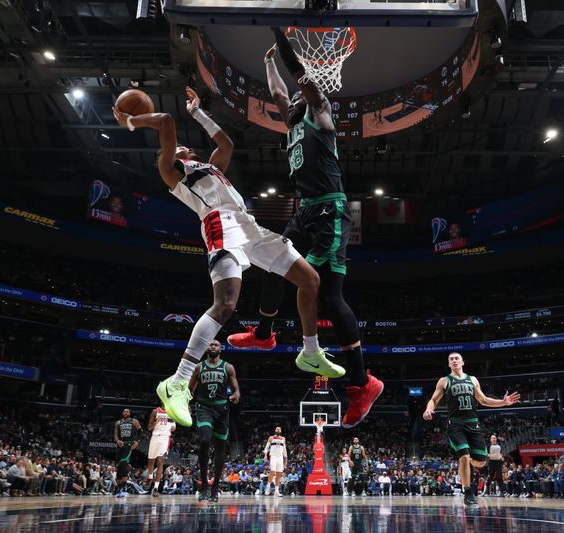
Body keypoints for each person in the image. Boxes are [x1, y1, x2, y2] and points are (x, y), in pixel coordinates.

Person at [113, 86, 331, 428]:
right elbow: (166, 121)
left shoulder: (212, 168)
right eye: (180, 147)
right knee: (226, 304)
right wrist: (130, 120)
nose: (185, 147)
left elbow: (226, 144)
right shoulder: (173, 171)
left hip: (249, 226)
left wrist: (198, 111)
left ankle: (310, 350)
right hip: (219, 224)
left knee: (309, 278)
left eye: (187, 146)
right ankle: (178, 381)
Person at [228, 28, 384, 429]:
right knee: (273, 260)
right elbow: (280, 92)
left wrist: (280, 37)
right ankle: (264, 332)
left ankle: (362, 384)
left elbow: (298, 76)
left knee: (331, 296)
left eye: (300, 93)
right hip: (305, 211)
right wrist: (266, 63)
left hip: (331, 212)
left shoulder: (319, 113)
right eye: (293, 97)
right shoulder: (293, 120)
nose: (294, 98)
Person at [423, 352, 520, 508]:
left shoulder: (472, 379)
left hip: (473, 424)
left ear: (463, 362)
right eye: (451, 359)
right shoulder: (445, 381)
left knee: (481, 462)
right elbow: (433, 400)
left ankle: (468, 465)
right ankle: (468, 492)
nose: (454, 361)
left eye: (457, 358)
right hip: (455, 424)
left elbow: (483, 400)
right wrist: (428, 409)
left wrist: (503, 402)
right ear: (449, 364)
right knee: (464, 456)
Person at [190, 340, 239, 503]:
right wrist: (184, 405)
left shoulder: (228, 367)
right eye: (210, 344)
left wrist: (235, 396)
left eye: (216, 344)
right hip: (203, 408)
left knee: (220, 450)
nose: (213, 346)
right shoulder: (199, 367)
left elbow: (236, 390)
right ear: (206, 348)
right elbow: (190, 390)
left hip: (222, 410)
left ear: (220, 349)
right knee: (204, 440)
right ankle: (203, 485)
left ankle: (214, 487)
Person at [147, 406, 176, 497]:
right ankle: (150, 477)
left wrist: (171, 425)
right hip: (155, 437)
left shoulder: (172, 412)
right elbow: (149, 427)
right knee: (151, 461)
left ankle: (156, 488)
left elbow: (173, 428)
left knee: (160, 461)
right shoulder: (155, 411)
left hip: (165, 438)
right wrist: (156, 421)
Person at [113, 408, 141, 498]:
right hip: (120, 445)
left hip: (129, 444)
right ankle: (118, 488)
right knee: (118, 466)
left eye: (128, 411)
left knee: (124, 464)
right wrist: (117, 441)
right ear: (122, 413)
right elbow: (115, 435)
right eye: (124, 411)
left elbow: (140, 432)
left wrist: (137, 442)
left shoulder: (134, 421)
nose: (126, 412)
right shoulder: (118, 423)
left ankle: (122, 488)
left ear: (130, 413)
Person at [263, 426, 287, 496]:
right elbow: (266, 447)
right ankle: (268, 486)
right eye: (277, 429)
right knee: (272, 471)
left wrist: (285, 459)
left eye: (280, 429)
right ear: (275, 430)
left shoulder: (283, 438)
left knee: (279, 474)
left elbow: (284, 449)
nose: (279, 430)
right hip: (273, 456)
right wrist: (265, 455)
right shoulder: (271, 438)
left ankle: (276, 491)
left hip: (280, 457)